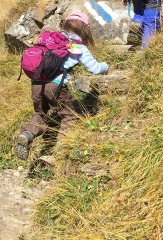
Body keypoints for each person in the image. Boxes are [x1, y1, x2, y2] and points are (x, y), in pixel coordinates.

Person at [14, 12, 109, 160]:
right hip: (55, 86)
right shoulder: (78, 46)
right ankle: (62, 151)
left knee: (41, 114)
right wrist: (106, 66)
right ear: (85, 29)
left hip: (36, 84)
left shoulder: (51, 40)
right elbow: (95, 68)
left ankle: (27, 134)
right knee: (69, 115)